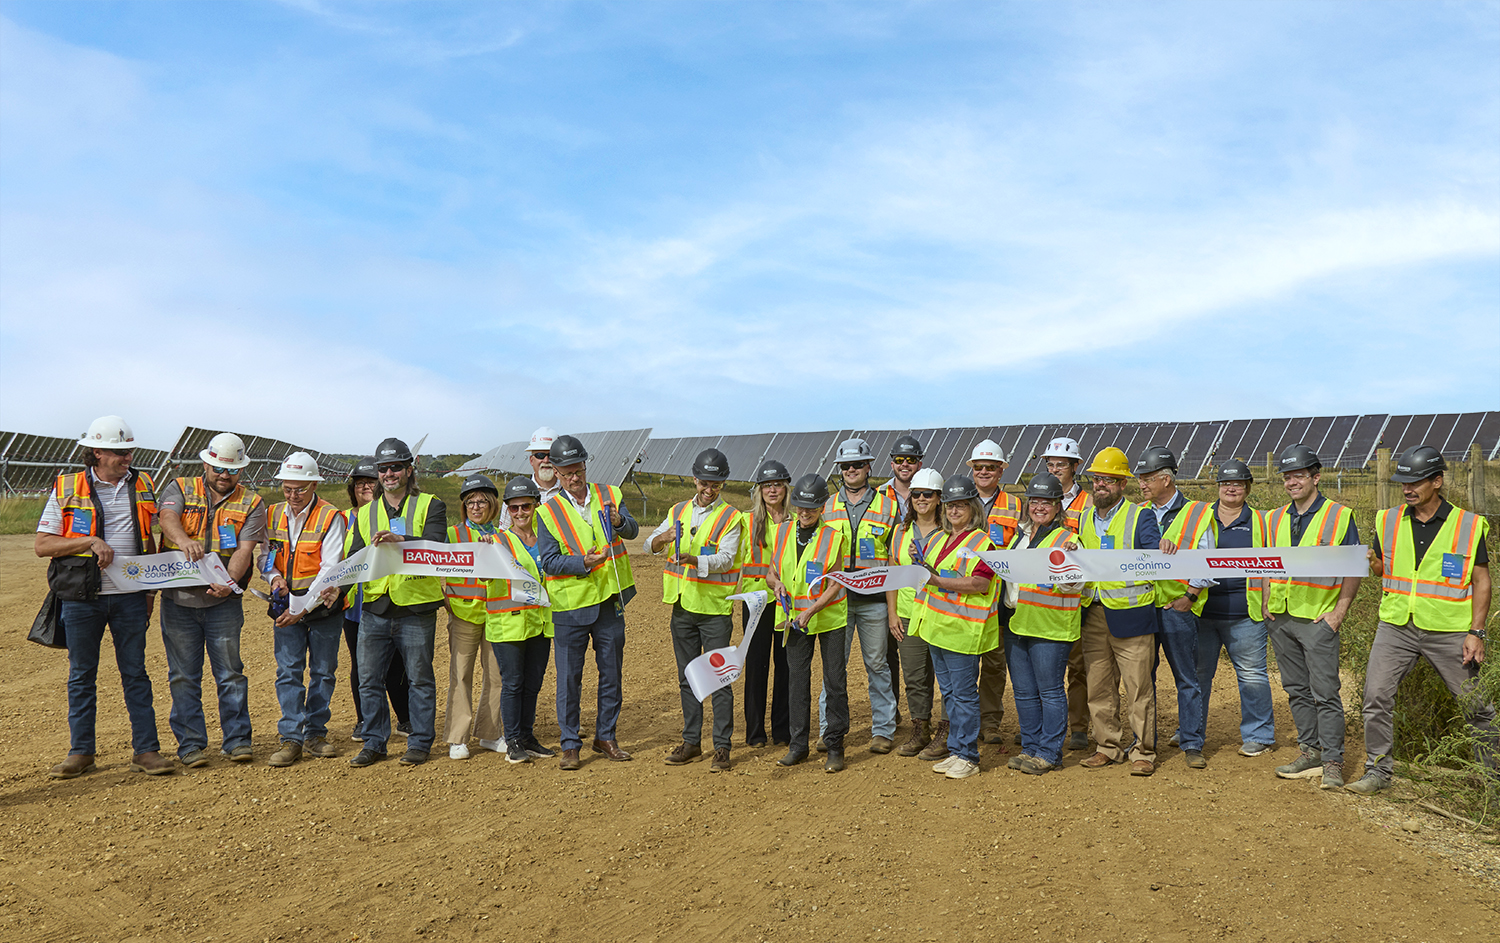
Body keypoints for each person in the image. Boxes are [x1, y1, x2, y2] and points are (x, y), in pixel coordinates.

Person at [1349, 446, 1495, 794]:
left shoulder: (1467, 525)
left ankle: (1493, 780)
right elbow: (1388, 569)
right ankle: (1378, 772)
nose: (1407, 488)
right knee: (1376, 697)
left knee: (1476, 707)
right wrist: (1374, 565)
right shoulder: (1386, 520)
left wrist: (1477, 632)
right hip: (1396, 626)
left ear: (1437, 481)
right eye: (1403, 482)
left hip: (1448, 629)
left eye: (1415, 482)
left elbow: (1481, 581)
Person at [36, 415, 172, 778]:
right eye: (118, 452)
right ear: (96, 451)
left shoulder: (144, 483)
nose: (126, 458)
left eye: (129, 451)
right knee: (82, 675)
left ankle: (146, 750)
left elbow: (153, 538)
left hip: (130, 597)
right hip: (82, 598)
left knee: (136, 673)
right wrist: (89, 541)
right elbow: (42, 545)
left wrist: (150, 590)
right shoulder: (66, 486)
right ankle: (81, 753)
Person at [157, 431, 265, 767]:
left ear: (241, 471)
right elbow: (167, 518)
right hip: (178, 601)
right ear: (206, 463)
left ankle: (237, 742)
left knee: (230, 673)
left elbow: (245, 549)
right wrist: (182, 539)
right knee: (183, 675)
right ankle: (191, 745)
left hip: (223, 604)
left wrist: (229, 582)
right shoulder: (180, 487)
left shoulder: (252, 502)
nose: (223, 475)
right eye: (217, 467)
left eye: (231, 470)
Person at [535, 434, 640, 771]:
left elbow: (633, 531)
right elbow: (548, 561)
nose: (574, 477)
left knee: (611, 673)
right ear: (555, 472)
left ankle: (605, 736)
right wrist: (582, 562)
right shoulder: (548, 511)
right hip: (570, 606)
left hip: (610, 600)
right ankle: (570, 744)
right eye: (567, 473)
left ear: (585, 465)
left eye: (578, 469)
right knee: (569, 678)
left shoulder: (610, 494)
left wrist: (621, 522)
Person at [1264, 443, 1362, 790]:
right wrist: (1265, 602)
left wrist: (1339, 612)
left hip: (1319, 619)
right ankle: (1311, 751)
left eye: (1299, 475)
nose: (1292, 482)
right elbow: (1265, 563)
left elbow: (1355, 567)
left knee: (1325, 692)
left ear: (1315, 478)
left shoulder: (1340, 515)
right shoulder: (1274, 517)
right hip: (1281, 617)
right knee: (1296, 690)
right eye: (1288, 477)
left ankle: (1333, 760)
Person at [345, 437, 448, 768]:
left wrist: (401, 540)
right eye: (383, 468)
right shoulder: (365, 513)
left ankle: (419, 742)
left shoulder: (431, 505)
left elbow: (436, 545)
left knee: (419, 679)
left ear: (409, 469)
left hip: (416, 608)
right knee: (368, 679)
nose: (389, 473)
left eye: (396, 467)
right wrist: (336, 587)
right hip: (375, 607)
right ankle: (375, 741)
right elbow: (355, 557)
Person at [646, 448, 744, 771]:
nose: (709, 489)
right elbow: (650, 545)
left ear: (722, 484)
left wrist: (694, 560)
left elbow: (726, 559)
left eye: (716, 484)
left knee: (718, 678)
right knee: (687, 677)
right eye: (704, 482)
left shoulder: (732, 517)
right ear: (694, 479)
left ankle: (722, 747)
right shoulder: (677, 510)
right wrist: (663, 537)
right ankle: (691, 742)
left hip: (714, 610)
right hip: (682, 608)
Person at [1069, 447, 1163, 776]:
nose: (1101, 486)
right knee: (1099, 686)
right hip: (1093, 613)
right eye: (1097, 479)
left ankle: (1143, 751)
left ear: (1123, 484)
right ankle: (1107, 746)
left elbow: (1154, 560)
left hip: (1132, 615)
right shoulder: (1083, 518)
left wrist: (1162, 548)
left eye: (1109, 480)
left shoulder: (1140, 516)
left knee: (1138, 687)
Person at [909, 475, 1001, 780]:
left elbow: (980, 582)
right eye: (950, 505)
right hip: (937, 627)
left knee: (963, 695)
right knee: (948, 693)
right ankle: (956, 747)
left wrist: (936, 580)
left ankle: (968, 756)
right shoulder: (938, 538)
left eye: (961, 505)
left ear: (973, 507)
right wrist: (920, 564)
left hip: (963, 630)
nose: (954, 511)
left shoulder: (983, 543)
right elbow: (934, 572)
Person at [1135, 444, 1215, 770]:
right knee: (1144, 679)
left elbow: (1207, 560)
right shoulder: (1139, 512)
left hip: (1177, 608)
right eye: (1141, 478)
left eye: (1148, 478)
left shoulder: (1197, 513)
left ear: (1166, 479)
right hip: (1143, 607)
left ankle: (1192, 742)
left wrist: (1190, 596)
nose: (1141, 484)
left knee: (1186, 677)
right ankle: (1145, 742)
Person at [264, 453, 346, 768]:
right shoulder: (272, 514)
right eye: (287, 489)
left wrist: (302, 608)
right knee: (288, 672)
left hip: (321, 606)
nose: (293, 496)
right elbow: (265, 557)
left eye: (300, 489)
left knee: (323, 672)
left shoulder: (330, 517)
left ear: (314, 484)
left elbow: (329, 569)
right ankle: (291, 738)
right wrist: (274, 578)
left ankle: (315, 734)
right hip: (285, 603)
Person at [821, 438, 900, 754]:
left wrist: (893, 608)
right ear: (840, 470)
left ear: (869, 466)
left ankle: (883, 729)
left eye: (857, 464)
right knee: (832, 668)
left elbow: (894, 559)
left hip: (874, 602)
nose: (851, 470)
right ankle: (828, 730)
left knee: (877, 665)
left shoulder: (888, 506)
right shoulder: (827, 506)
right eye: (846, 466)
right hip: (836, 601)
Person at [767, 474, 851, 772]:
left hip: (826, 618)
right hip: (793, 620)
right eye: (800, 506)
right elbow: (771, 571)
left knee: (835, 682)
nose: (804, 512)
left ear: (822, 506)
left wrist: (812, 610)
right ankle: (798, 745)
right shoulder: (780, 532)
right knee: (797, 683)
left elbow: (836, 583)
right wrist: (774, 583)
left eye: (811, 508)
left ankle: (835, 745)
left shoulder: (834, 537)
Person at [1002, 473, 1084, 775]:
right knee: (1023, 691)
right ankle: (1031, 747)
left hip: (1049, 625)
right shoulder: (1020, 536)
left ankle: (1049, 752)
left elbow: (1072, 586)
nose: (1039, 506)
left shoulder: (1068, 539)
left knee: (1050, 691)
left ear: (1057, 505)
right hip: (1017, 621)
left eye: (1046, 501)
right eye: (1034, 500)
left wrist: (1072, 569)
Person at [1197, 459, 1276, 758]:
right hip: (1203, 612)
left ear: (1247, 488)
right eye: (1226, 483)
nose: (1232, 488)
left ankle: (1259, 735)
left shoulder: (1261, 521)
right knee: (1198, 676)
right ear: (1217, 486)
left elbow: (1271, 563)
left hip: (1245, 614)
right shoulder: (1200, 518)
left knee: (1253, 675)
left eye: (1239, 483)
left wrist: (1268, 598)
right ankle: (1191, 731)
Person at [340, 457, 412, 743]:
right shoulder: (344, 519)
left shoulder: (390, 515)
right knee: (362, 668)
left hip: (389, 597)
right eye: (360, 483)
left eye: (370, 481)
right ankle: (364, 720)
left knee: (396, 666)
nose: (366, 487)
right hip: (355, 604)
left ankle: (404, 717)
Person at [489, 477, 557, 765]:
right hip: (508, 626)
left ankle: (527, 737)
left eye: (525, 506)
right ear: (507, 509)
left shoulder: (548, 537)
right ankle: (513, 739)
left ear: (536, 506)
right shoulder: (496, 542)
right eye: (514, 507)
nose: (520, 513)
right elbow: (483, 575)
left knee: (533, 683)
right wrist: (484, 552)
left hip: (540, 623)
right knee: (513, 683)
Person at [442, 474, 506, 760]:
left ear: (493, 504)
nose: (476, 507)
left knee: (496, 676)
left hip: (496, 614)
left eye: (482, 501)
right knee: (461, 675)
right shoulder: (453, 535)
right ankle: (458, 737)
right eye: (470, 502)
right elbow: (438, 570)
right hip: (464, 615)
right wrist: (449, 604)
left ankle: (491, 734)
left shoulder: (504, 536)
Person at [887, 468, 949, 759]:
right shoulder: (900, 532)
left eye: (928, 494)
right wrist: (892, 612)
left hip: (941, 613)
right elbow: (893, 574)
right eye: (916, 495)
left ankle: (946, 731)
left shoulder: (951, 533)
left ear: (939, 498)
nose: (921, 499)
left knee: (946, 676)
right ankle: (920, 729)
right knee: (915, 676)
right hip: (908, 613)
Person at [1043, 436, 1093, 751]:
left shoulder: (1087, 502)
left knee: (1078, 667)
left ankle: (1078, 728)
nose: (1055, 469)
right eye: (1050, 464)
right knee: (1045, 669)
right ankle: (1045, 727)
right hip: (1043, 598)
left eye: (1061, 464)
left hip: (1076, 597)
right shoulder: (1036, 497)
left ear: (1075, 466)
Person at [738, 459, 792, 747]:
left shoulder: (795, 522)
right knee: (757, 667)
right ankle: (755, 732)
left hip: (786, 603)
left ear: (786, 488)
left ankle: (782, 731)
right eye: (767, 485)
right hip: (757, 601)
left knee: (785, 667)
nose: (773, 490)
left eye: (778, 484)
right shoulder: (746, 521)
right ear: (759, 490)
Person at [970, 439, 1019, 747]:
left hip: (999, 595)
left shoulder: (1015, 504)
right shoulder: (957, 496)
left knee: (994, 662)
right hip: (965, 591)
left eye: (991, 467)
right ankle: (961, 720)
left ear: (1002, 470)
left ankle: (989, 722)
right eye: (979, 467)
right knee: (962, 660)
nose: (984, 472)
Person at [500, 426, 564, 529]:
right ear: (531, 460)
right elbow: (504, 532)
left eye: (551, 455)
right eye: (540, 455)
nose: (546, 460)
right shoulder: (514, 492)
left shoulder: (569, 491)